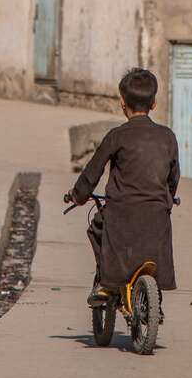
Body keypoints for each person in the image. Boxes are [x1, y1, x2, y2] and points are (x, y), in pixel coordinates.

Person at [64, 68, 180, 305]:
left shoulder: (117, 136)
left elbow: (92, 171)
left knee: (97, 227)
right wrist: (168, 197)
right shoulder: (168, 137)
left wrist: (77, 196)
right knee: (157, 230)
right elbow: (173, 176)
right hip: (156, 213)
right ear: (154, 103)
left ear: (122, 103)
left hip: (120, 212)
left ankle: (105, 284)